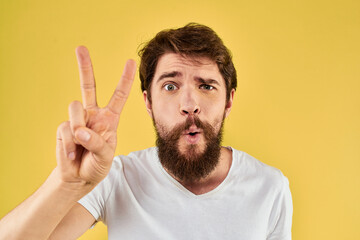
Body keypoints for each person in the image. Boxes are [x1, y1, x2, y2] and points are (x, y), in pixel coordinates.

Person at [0, 23, 293, 240]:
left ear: (229, 100)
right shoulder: (115, 179)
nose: (189, 105)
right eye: (170, 86)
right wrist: (66, 184)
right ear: (148, 102)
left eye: (206, 86)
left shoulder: (270, 187)